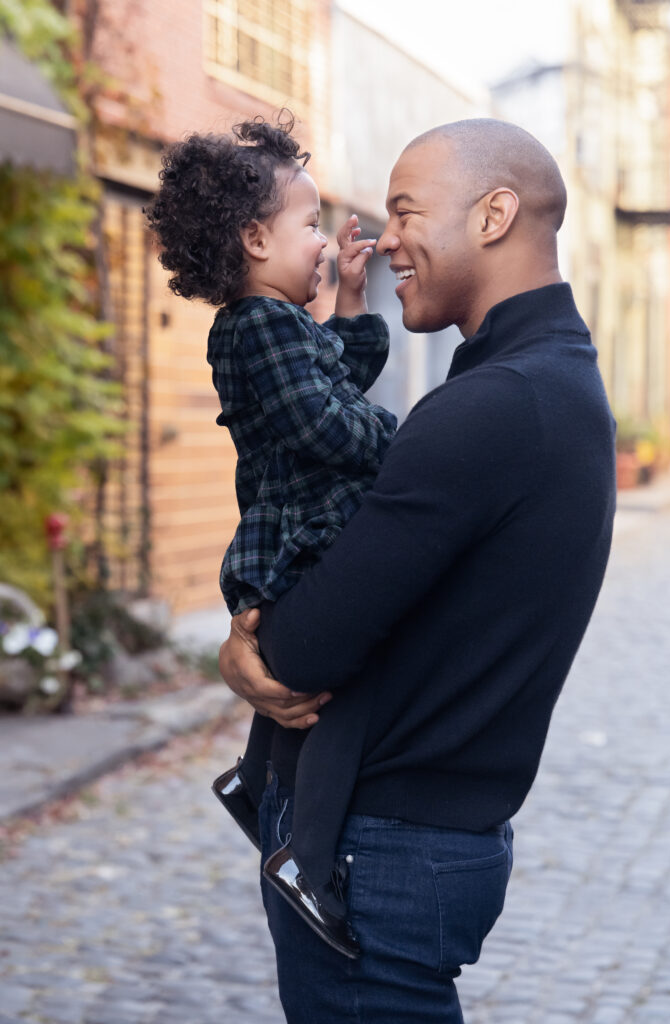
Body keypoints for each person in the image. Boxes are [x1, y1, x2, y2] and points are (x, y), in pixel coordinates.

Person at [219, 118, 617, 1024]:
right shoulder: (550, 382)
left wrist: (242, 652)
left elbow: (305, 644)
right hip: (430, 835)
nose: (386, 236)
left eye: (405, 211)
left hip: (383, 850)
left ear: (494, 214)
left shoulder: (494, 405)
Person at [144, 115, 397, 948]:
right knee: (334, 693)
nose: (323, 244)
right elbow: (325, 426)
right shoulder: (255, 327)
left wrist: (353, 305)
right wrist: (411, 445)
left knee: (291, 692)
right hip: (300, 535)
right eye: (309, 226)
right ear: (256, 238)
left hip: (298, 531)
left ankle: (254, 786)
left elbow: (339, 379)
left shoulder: (280, 326)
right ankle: (306, 860)